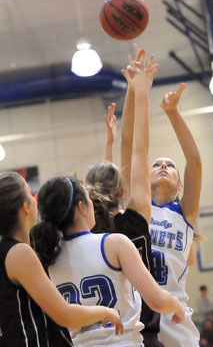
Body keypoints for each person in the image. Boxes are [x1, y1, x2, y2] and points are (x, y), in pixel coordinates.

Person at [31, 176, 185, 347]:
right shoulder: (115, 243)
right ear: (81, 207)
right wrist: (177, 306)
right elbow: (157, 300)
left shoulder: (48, 258)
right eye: (89, 199)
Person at [85, 47, 170, 347]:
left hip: (96, 338)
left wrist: (135, 92)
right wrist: (140, 92)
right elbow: (138, 150)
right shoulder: (134, 221)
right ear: (122, 192)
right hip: (142, 336)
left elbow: (128, 151)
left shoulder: (83, 233)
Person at [120, 46, 202, 346]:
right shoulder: (137, 204)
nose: (164, 166)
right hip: (140, 312)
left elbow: (195, 161)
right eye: (157, 164)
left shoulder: (186, 213)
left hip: (175, 312)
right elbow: (129, 144)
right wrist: (133, 91)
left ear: (179, 184)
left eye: (170, 165)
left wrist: (173, 113)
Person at [0, 171, 123, 347]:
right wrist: (105, 312)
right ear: (25, 207)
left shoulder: (10, 252)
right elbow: (64, 314)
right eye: (29, 193)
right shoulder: (19, 253)